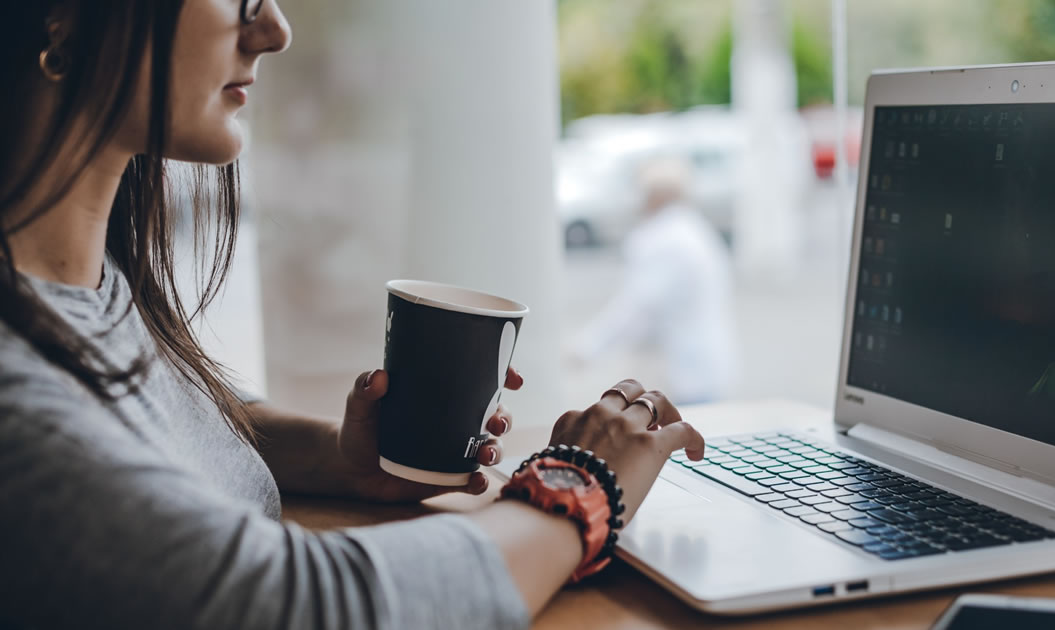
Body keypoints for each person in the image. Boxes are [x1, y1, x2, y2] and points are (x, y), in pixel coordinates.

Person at [0, 2, 705, 629]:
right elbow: (302, 605)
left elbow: (146, 438)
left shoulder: (90, 285)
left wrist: (339, 458)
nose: (273, 29)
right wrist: (576, 487)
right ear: (62, 16)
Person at [571, 157, 738, 404]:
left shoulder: (660, 240)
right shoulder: (697, 231)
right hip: (706, 367)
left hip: (679, 374)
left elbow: (638, 306)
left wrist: (586, 348)